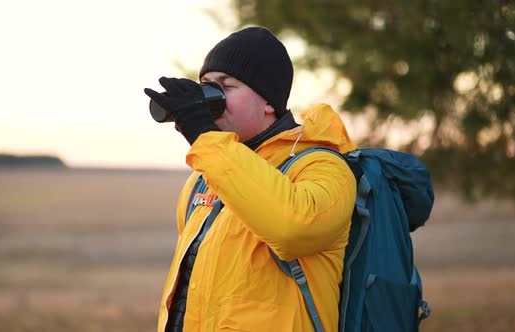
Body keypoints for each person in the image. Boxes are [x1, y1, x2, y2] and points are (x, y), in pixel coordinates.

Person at [144, 26, 357, 332]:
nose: (210, 98)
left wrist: (205, 136)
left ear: (269, 101)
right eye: (205, 86)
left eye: (225, 87)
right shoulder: (203, 180)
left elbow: (292, 228)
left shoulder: (323, 167)